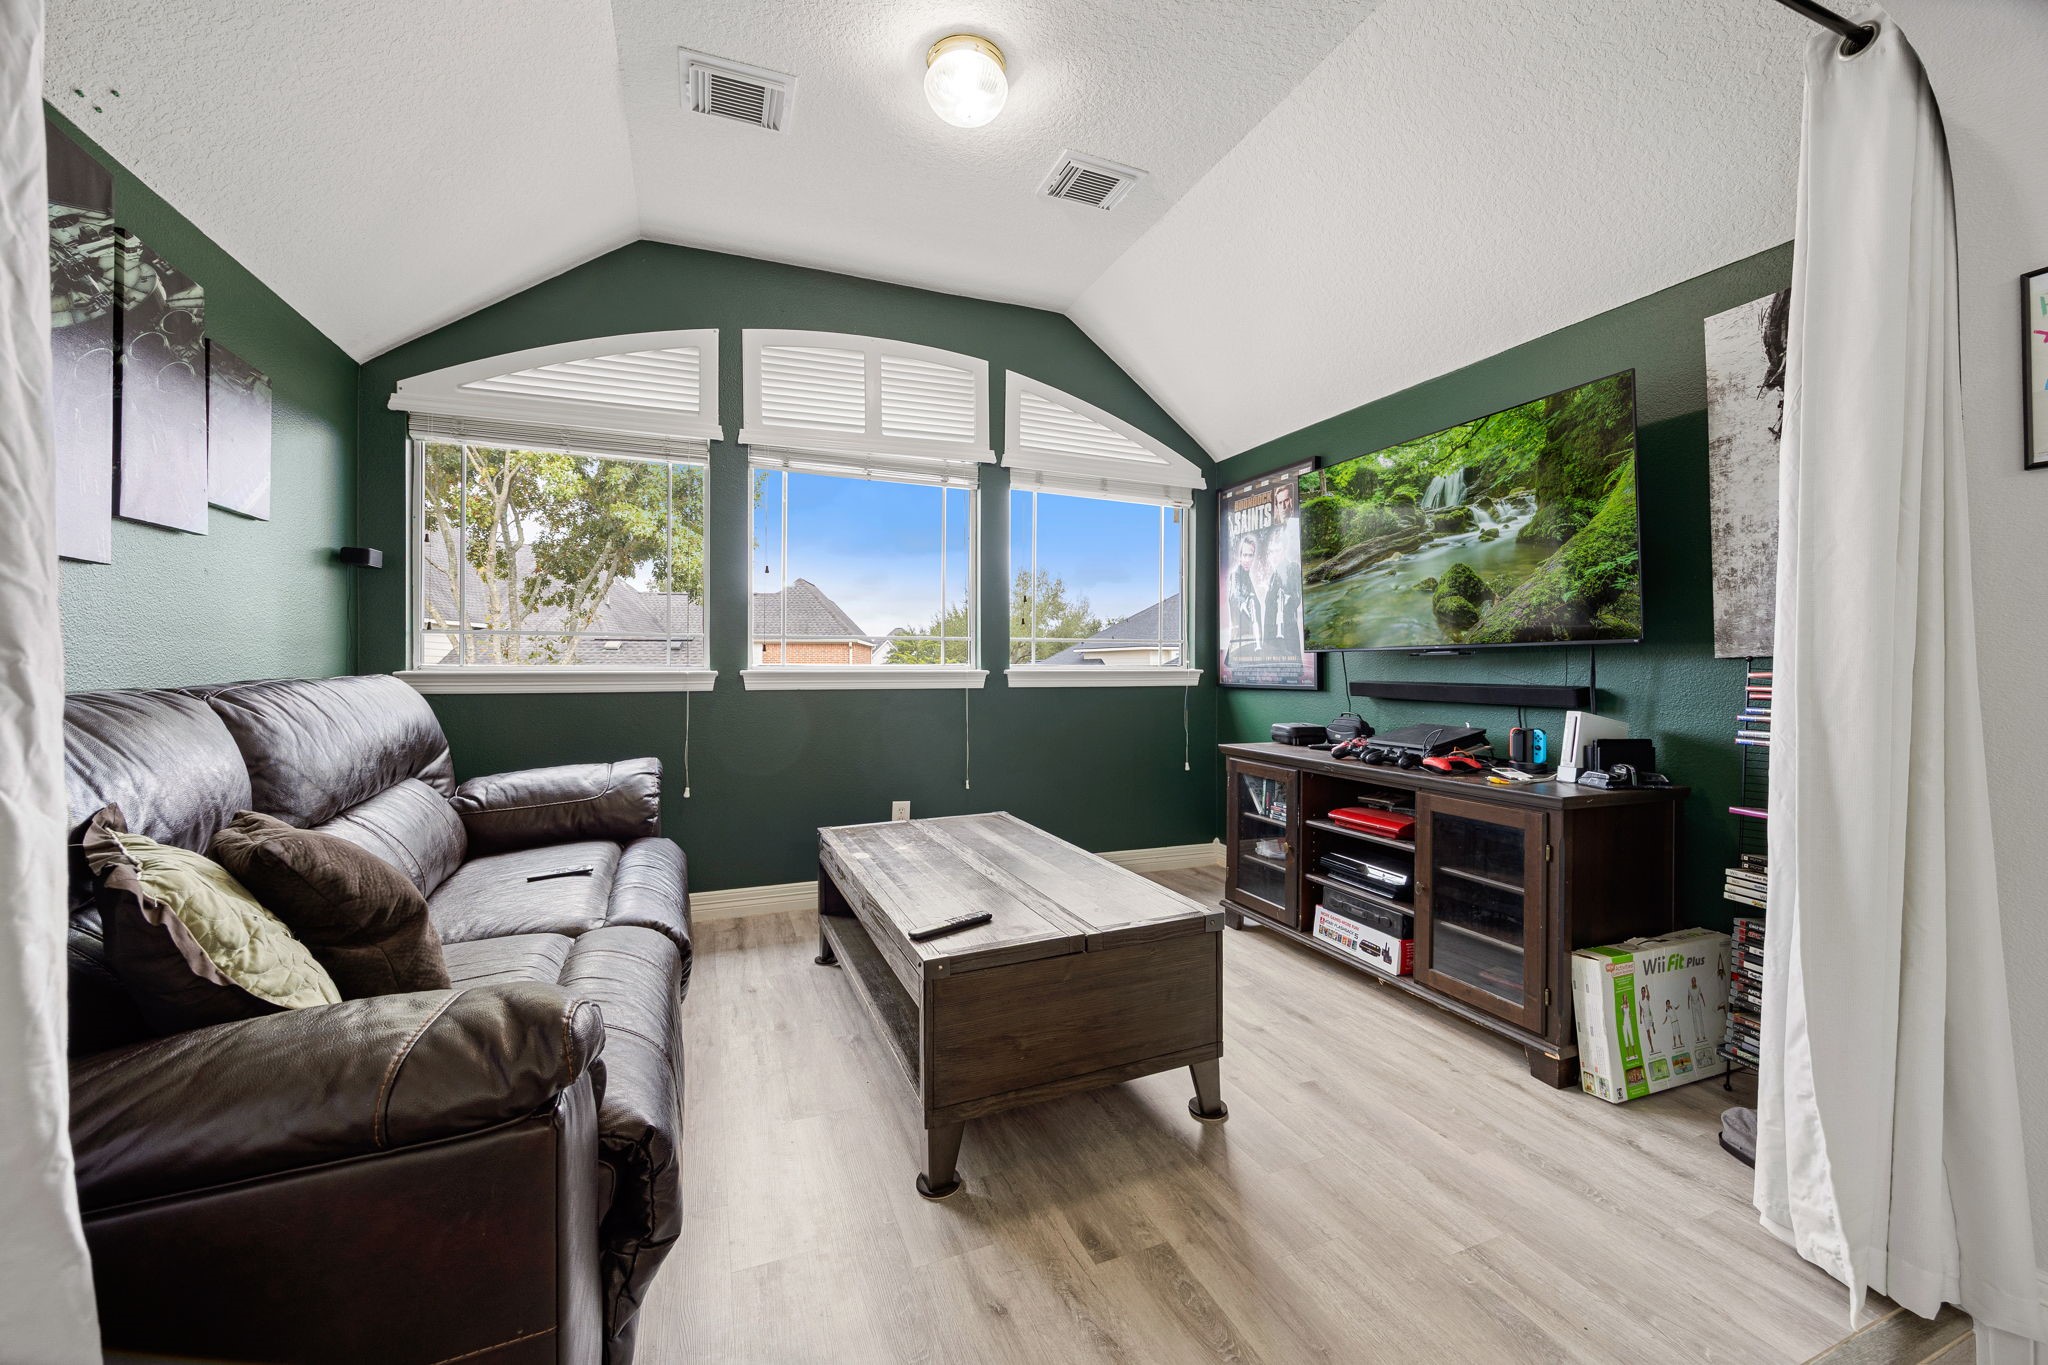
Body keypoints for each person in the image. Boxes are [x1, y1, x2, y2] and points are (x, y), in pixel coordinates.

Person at [1227, 534, 1263, 659]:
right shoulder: (1236, 575)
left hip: (1248, 642)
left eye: (1250, 555)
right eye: (1244, 555)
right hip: (1242, 643)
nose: (1247, 559)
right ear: (1240, 556)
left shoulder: (1246, 576)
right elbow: (1236, 597)